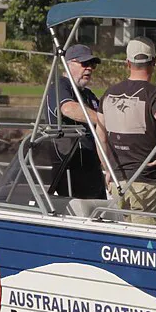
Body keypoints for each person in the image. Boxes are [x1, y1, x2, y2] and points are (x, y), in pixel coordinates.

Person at [97, 36, 156, 225]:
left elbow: (100, 135)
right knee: (146, 242)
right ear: (154, 62)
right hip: (147, 182)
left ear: (127, 63)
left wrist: (107, 168)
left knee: (125, 239)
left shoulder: (109, 94)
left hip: (118, 181)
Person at [46, 44, 106, 199]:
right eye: (84, 64)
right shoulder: (60, 86)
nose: (89, 69)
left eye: (92, 65)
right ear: (68, 63)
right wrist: (104, 120)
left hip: (92, 169)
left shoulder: (88, 94)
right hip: (69, 169)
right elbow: (68, 108)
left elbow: (103, 114)